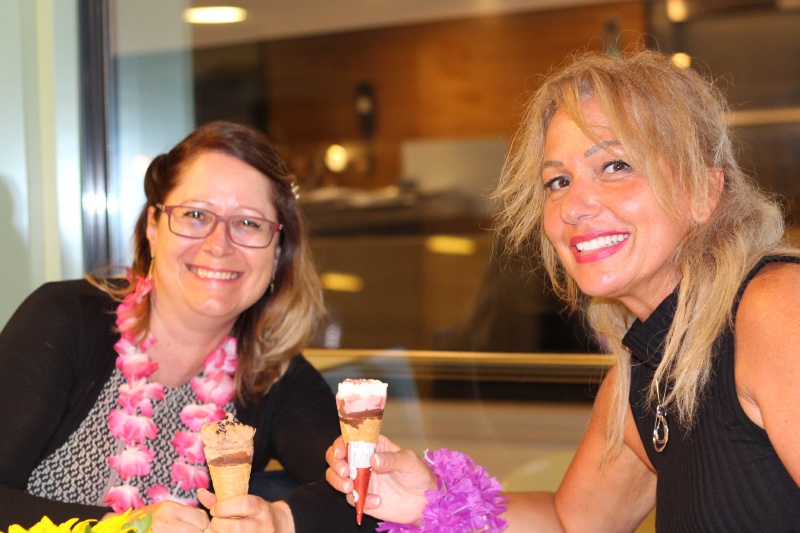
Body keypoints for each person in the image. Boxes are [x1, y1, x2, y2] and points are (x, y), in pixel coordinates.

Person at [325, 48, 800, 531]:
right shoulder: (643, 373)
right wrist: (428, 499)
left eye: (616, 166)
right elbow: (569, 522)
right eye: (558, 181)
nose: (573, 206)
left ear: (704, 190)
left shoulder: (776, 310)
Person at [0, 121, 378, 532]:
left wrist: (280, 519)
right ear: (153, 227)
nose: (218, 245)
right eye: (195, 215)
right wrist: (124, 527)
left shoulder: (273, 375)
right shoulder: (64, 320)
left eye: (248, 223)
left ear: (277, 251)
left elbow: (367, 497)